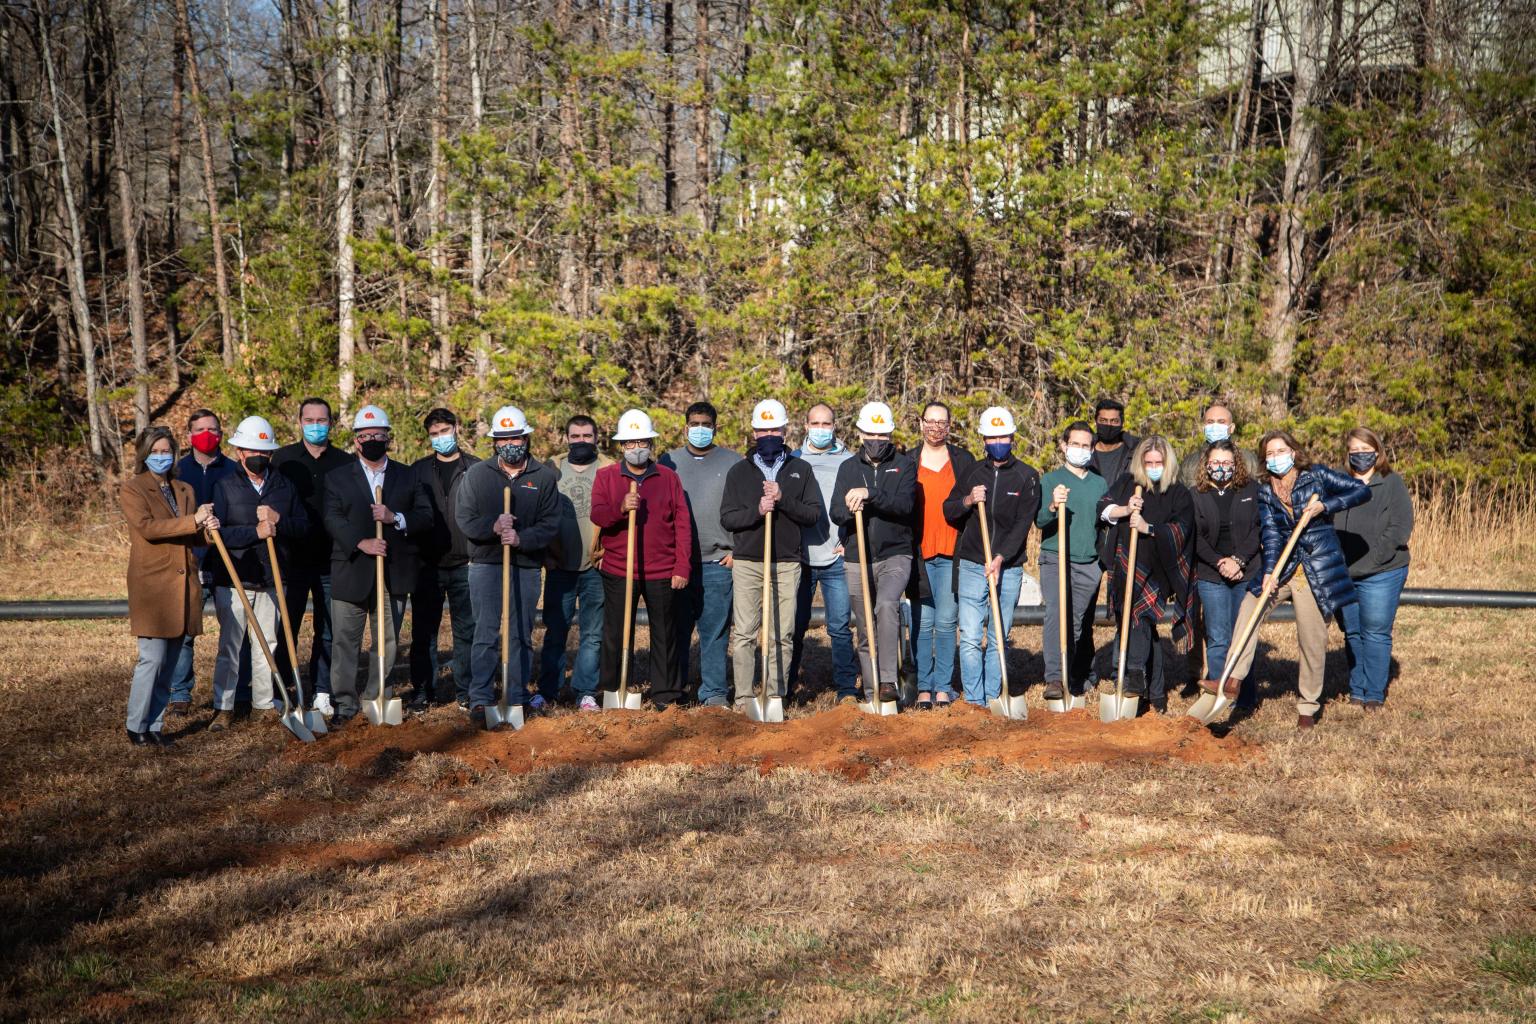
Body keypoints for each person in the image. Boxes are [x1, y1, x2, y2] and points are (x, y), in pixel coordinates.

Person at [1211, 430, 1369, 730]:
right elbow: (1270, 533)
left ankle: (1308, 705)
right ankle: (1232, 677)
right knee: (1249, 608)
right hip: (1284, 566)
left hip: (1314, 569)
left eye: (1280, 451)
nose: (1275, 458)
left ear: (1293, 452)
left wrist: (1325, 506)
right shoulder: (1266, 491)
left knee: (1312, 639)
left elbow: (1361, 491)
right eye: (1269, 454)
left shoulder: (1316, 476)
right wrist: (1269, 571)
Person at [323, 404, 433, 727]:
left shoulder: (408, 475)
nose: (372, 439)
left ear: (388, 438)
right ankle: (344, 703)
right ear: (356, 440)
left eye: (378, 434)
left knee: (386, 641)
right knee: (345, 641)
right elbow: (332, 518)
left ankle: (376, 697)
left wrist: (394, 518)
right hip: (351, 569)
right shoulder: (338, 477)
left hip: (394, 572)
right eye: (365, 435)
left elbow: (425, 516)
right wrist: (361, 542)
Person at [455, 405, 562, 724]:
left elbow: (551, 523)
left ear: (526, 437)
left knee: (520, 634)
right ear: (494, 442)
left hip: (526, 566)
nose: (509, 443)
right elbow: (465, 518)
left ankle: (516, 696)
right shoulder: (477, 475)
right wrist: (493, 527)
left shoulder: (542, 477)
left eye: (515, 437)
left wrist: (521, 539)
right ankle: (481, 698)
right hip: (486, 565)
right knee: (485, 632)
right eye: (502, 439)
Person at [721, 400, 824, 713]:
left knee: (782, 633)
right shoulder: (739, 472)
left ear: (784, 430)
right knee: (744, 633)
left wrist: (783, 499)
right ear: (754, 431)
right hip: (749, 562)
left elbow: (813, 514)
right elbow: (727, 517)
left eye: (774, 429)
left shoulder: (800, 470)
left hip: (786, 562)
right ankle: (742, 698)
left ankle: (774, 694)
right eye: (763, 429)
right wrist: (757, 511)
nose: (769, 434)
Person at [208, 415, 309, 729]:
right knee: (231, 645)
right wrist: (256, 531)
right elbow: (218, 535)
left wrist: (279, 522)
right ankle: (223, 707)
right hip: (234, 579)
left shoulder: (284, 486)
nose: (258, 456)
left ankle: (263, 704)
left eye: (264, 452)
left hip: (271, 578)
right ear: (239, 451)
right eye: (252, 450)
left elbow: (303, 528)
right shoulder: (224, 486)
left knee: (269, 644)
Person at [590, 409, 693, 709]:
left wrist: (681, 565)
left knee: (665, 633)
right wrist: (620, 508)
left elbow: (682, 525)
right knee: (616, 632)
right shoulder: (607, 477)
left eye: (642, 442)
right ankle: (614, 688)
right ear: (621, 447)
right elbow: (597, 514)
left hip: (662, 570)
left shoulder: (668, 478)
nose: (637, 448)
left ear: (651, 443)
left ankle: (665, 694)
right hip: (619, 569)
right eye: (630, 443)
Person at [121, 426, 217, 746]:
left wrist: (207, 529)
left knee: (171, 661)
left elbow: (190, 536)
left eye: (167, 451)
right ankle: (136, 725)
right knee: (152, 658)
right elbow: (149, 529)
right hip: (153, 585)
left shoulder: (184, 489)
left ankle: (155, 725)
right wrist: (193, 521)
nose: (162, 457)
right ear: (144, 454)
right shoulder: (133, 490)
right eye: (156, 451)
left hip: (184, 582)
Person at [942, 407, 1040, 707]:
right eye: (992, 436)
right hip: (972, 562)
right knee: (971, 635)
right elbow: (949, 510)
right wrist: (969, 500)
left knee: (999, 634)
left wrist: (1000, 558)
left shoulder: (1028, 477)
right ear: (983, 439)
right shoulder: (972, 472)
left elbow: (1023, 525)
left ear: (1012, 437)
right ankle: (974, 700)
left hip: (1007, 567)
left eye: (1003, 435)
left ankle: (992, 695)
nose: (998, 441)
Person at [1096, 435, 1197, 712]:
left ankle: (1135, 676)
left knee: (1139, 616)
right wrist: (1126, 509)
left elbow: (1182, 531)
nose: (1153, 466)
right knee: (1144, 628)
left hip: (1158, 571)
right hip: (1127, 565)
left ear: (1168, 464)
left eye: (1159, 462)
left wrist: (1148, 528)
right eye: (1148, 461)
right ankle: (1157, 695)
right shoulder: (1129, 485)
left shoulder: (1178, 493)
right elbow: (1103, 508)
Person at [830, 401, 916, 707]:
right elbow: (835, 512)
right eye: (870, 434)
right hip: (858, 557)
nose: (876, 441)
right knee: (865, 627)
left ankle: (888, 681)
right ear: (860, 433)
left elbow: (905, 505)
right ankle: (871, 694)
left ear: (890, 434)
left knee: (887, 604)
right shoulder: (848, 468)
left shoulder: (904, 465)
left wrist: (871, 495)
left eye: (882, 435)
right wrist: (849, 508)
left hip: (895, 554)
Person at [272, 397, 352, 718]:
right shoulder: (283, 460)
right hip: (291, 559)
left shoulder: (345, 462)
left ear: (331, 424)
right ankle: (282, 689)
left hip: (332, 561)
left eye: (322, 420)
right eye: (310, 420)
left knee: (328, 628)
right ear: (300, 421)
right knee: (285, 626)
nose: (316, 426)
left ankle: (322, 690)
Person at [660, 402, 741, 707]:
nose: (700, 429)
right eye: (694, 423)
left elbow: (744, 510)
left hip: (718, 563)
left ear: (716, 427)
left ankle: (714, 694)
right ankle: (675, 691)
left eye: (706, 424)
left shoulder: (733, 462)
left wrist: (737, 549)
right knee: (676, 630)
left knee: (715, 633)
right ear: (685, 427)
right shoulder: (668, 462)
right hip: (677, 564)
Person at [1335, 427, 1413, 711]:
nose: (1360, 455)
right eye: (1354, 450)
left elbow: (1400, 528)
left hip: (1383, 571)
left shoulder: (1391, 483)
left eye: (1365, 450)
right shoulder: (1339, 482)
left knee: (1375, 631)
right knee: (1352, 632)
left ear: (1377, 451)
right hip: (1344, 573)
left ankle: (1374, 693)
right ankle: (1357, 686)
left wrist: (1374, 558)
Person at [167, 408, 238, 715]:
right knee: (184, 631)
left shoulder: (235, 470)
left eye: (212, 429)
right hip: (191, 560)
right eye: (200, 430)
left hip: (227, 561)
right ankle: (179, 693)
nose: (206, 435)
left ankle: (236, 692)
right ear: (189, 435)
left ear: (221, 434)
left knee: (234, 631)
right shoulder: (177, 472)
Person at [408, 407, 480, 712]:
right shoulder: (418, 470)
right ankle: (423, 690)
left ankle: (465, 691)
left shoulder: (476, 469)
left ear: (456, 429)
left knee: (467, 630)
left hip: (466, 563)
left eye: (444, 431)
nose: (440, 438)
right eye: (434, 434)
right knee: (424, 631)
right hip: (428, 564)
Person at [540, 415, 611, 711]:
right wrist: (546, 555)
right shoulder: (550, 470)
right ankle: (548, 690)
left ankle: (585, 691)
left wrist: (608, 553)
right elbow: (537, 514)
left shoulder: (609, 469)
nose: (581, 441)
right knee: (556, 630)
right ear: (566, 438)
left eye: (587, 436)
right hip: (560, 564)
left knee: (593, 633)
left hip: (596, 565)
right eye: (575, 436)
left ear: (596, 438)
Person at [787, 403, 857, 702]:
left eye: (825, 424)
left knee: (840, 627)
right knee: (795, 625)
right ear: (805, 426)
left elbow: (857, 509)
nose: (820, 429)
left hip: (836, 558)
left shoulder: (850, 462)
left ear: (834, 426)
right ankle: (785, 687)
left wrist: (849, 542)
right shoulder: (792, 460)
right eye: (814, 423)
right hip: (800, 559)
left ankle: (845, 689)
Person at [908, 400, 974, 709]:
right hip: (919, 552)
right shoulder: (908, 461)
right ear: (920, 423)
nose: (936, 427)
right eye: (930, 421)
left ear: (949, 426)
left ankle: (943, 687)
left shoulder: (963, 461)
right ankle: (923, 687)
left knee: (947, 621)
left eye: (942, 422)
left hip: (952, 551)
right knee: (922, 622)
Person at [1035, 421, 1108, 702]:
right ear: (1064, 446)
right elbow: (1040, 520)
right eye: (1074, 444)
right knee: (1056, 614)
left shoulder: (1099, 483)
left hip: (1087, 561)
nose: (1079, 449)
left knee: (1077, 621)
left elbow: (1105, 521)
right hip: (1056, 557)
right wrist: (1053, 505)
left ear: (1091, 449)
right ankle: (1054, 678)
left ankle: (1072, 673)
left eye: (1085, 445)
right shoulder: (1050, 480)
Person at [1189, 439, 1262, 708]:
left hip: (1246, 572)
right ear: (1206, 464)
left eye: (1227, 463)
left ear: (1236, 464)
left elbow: (1258, 529)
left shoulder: (1252, 490)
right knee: (1218, 637)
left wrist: (1238, 560)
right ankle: (1220, 698)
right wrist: (1220, 561)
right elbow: (1194, 536)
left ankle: (1245, 697)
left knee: (1241, 636)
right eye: (1216, 462)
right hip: (1211, 574)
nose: (1221, 468)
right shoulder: (1196, 494)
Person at [1177, 402, 1259, 487]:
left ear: (1232, 428)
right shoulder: (1189, 463)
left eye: (1221, 421)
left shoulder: (1248, 460)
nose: (1215, 426)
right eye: (1210, 422)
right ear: (1203, 428)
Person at [1089, 399, 1140, 486]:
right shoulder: (1084, 450)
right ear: (1095, 421)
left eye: (1114, 421)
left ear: (1122, 423)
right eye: (1103, 420)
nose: (1108, 425)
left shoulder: (1137, 450)